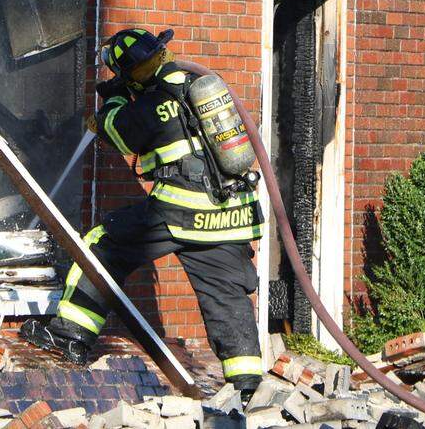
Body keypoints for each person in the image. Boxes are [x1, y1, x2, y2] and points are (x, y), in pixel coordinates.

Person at [20, 28, 264, 399]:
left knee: (103, 244)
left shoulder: (157, 101)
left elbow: (121, 134)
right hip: (232, 215)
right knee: (226, 296)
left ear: (131, 72)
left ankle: (69, 334)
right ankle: (247, 387)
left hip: (183, 208)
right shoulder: (195, 86)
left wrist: (114, 104)